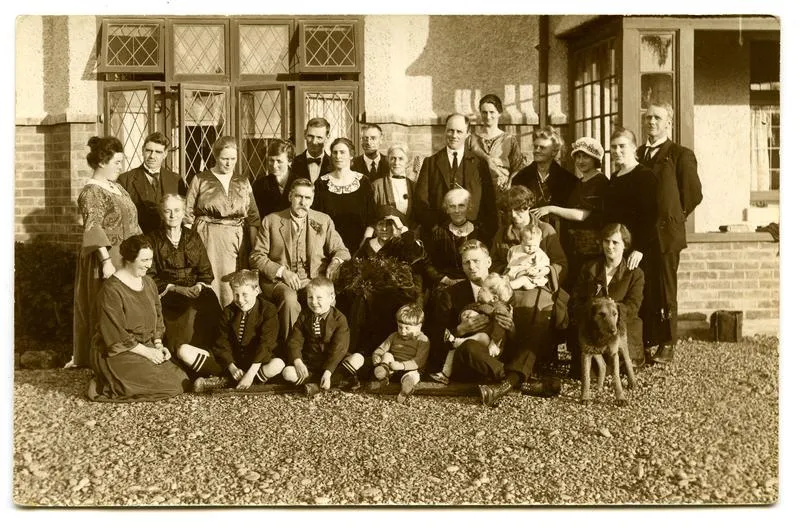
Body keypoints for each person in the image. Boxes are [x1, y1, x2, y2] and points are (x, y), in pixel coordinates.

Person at [426, 240, 557, 407]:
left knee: (533, 333)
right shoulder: (451, 294)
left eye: (476, 261)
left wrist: (511, 328)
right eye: (466, 262)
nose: (471, 266)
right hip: (470, 358)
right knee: (468, 347)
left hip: (498, 352)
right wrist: (459, 330)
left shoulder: (506, 290)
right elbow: (435, 333)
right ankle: (514, 381)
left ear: (488, 262)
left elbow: (515, 339)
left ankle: (505, 383)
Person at [636, 103, 703, 364]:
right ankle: (644, 341)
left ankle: (667, 342)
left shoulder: (680, 154)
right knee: (644, 286)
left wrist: (673, 216)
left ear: (669, 123)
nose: (651, 121)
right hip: (641, 235)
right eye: (648, 117)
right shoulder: (639, 154)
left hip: (665, 236)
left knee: (665, 287)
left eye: (657, 117)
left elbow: (693, 194)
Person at [86, 235, 190, 401]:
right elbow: (114, 334)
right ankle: (105, 381)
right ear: (129, 260)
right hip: (117, 352)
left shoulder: (149, 283)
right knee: (171, 386)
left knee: (182, 379)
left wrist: (157, 345)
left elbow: (157, 316)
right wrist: (147, 353)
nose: (149, 265)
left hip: (146, 346)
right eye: (144, 260)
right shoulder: (111, 290)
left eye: (150, 259)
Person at [70, 136, 142, 369]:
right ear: (102, 162)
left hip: (128, 255)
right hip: (108, 256)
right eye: (117, 162)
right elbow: (93, 227)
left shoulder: (117, 187)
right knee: (107, 306)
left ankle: (127, 356)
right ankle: (102, 360)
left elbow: (132, 222)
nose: (121, 167)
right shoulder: (91, 191)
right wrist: (106, 261)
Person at [249, 178, 351, 341]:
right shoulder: (271, 220)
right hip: (279, 281)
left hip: (313, 278)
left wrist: (335, 262)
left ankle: (321, 348)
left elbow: (342, 251)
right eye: (299, 197)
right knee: (289, 299)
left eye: (307, 198)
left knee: (323, 295)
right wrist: (283, 272)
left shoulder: (323, 220)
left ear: (312, 199)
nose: (303, 202)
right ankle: (292, 351)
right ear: (290, 197)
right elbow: (256, 257)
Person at [176, 270, 285, 391]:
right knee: (183, 351)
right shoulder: (229, 311)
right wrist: (231, 366)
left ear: (256, 291)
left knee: (278, 364)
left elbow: (266, 344)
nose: (240, 300)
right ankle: (232, 380)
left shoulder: (268, 310)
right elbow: (222, 342)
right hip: (232, 363)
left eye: (245, 294)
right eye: (236, 295)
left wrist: (250, 373)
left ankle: (239, 381)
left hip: (256, 362)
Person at [184, 136, 261, 308]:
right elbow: (188, 214)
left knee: (234, 283)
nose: (229, 163)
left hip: (237, 239)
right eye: (225, 159)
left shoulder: (243, 181)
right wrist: (186, 245)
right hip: (208, 237)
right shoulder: (201, 179)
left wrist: (254, 248)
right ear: (216, 157)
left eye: (233, 159)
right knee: (212, 281)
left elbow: (253, 216)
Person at [605, 127, 660, 359]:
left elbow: (651, 216)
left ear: (633, 148)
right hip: (617, 246)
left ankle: (642, 348)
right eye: (614, 147)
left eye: (622, 146)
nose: (617, 151)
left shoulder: (644, 176)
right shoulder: (615, 178)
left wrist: (640, 249)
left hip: (639, 248)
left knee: (639, 296)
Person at [146, 194, 222, 355]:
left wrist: (199, 286)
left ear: (183, 213)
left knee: (211, 305)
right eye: (167, 211)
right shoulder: (152, 240)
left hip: (195, 290)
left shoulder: (193, 237)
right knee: (187, 313)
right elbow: (150, 276)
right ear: (161, 213)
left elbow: (205, 271)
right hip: (168, 295)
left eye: (177, 210)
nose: (173, 215)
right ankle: (184, 357)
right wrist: (175, 288)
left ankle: (212, 357)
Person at [532, 136, 608, 291]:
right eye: (578, 157)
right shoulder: (581, 182)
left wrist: (551, 208)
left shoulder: (599, 182)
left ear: (595, 159)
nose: (580, 161)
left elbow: (582, 214)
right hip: (575, 244)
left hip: (592, 245)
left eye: (585, 156)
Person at [569, 223, 645, 376]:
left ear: (625, 245)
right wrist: (593, 307)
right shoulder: (589, 268)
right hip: (594, 329)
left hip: (620, 326)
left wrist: (613, 307)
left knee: (620, 365)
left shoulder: (634, 273)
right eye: (606, 241)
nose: (610, 246)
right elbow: (576, 299)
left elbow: (633, 305)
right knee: (582, 373)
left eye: (615, 242)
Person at [413, 113, 498, 241]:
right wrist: (435, 228)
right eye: (450, 131)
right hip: (439, 238)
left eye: (459, 131)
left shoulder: (480, 165)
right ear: (445, 131)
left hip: (473, 237)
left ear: (467, 133)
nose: (454, 136)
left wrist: (482, 233)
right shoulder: (430, 163)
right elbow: (421, 202)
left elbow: (489, 203)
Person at [282, 277, 362, 395]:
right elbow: (295, 340)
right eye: (310, 297)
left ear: (331, 298)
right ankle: (327, 382)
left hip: (333, 364)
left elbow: (339, 348)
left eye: (319, 298)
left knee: (358, 358)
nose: (314, 302)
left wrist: (328, 371)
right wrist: (298, 361)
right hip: (310, 363)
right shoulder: (304, 316)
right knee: (287, 372)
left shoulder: (339, 318)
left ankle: (321, 383)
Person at [431, 272, 513, 384]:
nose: (480, 290)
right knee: (458, 348)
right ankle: (445, 374)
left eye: (483, 290)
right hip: (470, 352)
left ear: (494, 298)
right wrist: (464, 317)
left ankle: (501, 375)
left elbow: (500, 327)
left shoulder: (499, 308)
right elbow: (463, 313)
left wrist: (494, 342)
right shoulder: (476, 304)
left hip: (489, 347)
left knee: (479, 338)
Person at [312, 137, 377, 254]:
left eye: (342, 152)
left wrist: (364, 242)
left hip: (360, 246)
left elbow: (372, 217)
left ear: (351, 155)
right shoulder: (321, 183)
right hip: (328, 247)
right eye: (335, 152)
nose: (338, 156)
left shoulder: (363, 182)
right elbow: (315, 218)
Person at [118, 131, 185, 234]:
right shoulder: (125, 179)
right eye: (149, 151)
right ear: (142, 150)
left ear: (165, 154)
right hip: (139, 240)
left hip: (168, 241)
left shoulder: (176, 180)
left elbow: (182, 214)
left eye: (158, 152)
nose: (152, 156)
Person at [512, 126, 576, 232]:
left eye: (542, 148)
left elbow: (573, 213)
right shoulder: (521, 178)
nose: (537, 150)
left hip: (559, 235)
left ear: (554, 152)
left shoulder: (569, 180)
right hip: (527, 235)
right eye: (535, 147)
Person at [422, 188, 491, 286]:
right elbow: (428, 263)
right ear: (447, 209)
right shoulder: (438, 233)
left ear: (468, 207)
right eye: (452, 206)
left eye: (461, 206)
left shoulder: (480, 231)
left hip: (476, 283)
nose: (457, 211)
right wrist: (445, 280)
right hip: (447, 284)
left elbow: (487, 261)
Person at [465, 94, 525, 193]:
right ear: (480, 113)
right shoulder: (471, 139)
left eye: (492, 112)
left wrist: (510, 182)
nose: (488, 116)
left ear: (499, 113)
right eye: (484, 112)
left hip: (501, 191)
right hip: (477, 190)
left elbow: (518, 166)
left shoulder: (509, 139)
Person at [372, 304, 430, 403]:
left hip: (411, 368)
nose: (403, 331)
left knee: (413, 376)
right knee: (387, 355)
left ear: (419, 327)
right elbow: (382, 348)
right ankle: (383, 374)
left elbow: (419, 361)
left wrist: (401, 366)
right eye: (400, 327)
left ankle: (406, 390)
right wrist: (377, 356)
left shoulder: (423, 340)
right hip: (392, 367)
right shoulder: (394, 336)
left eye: (407, 328)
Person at [372, 143, 416, 229]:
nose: (396, 162)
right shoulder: (377, 185)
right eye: (393, 158)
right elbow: (370, 216)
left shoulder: (414, 186)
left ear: (408, 162)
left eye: (401, 159)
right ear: (388, 161)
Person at [252, 139, 294, 218]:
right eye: (271, 160)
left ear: (290, 161)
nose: (274, 165)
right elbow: (255, 215)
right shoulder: (260, 185)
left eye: (279, 161)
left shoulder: (299, 182)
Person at [504, 222, 551, 290]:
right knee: (502, 278)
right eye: (528, 245)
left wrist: (537, 271)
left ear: (539, 242)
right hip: (514, 274)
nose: (531, 248)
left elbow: (546, 267)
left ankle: (507, 287)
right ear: (521, 242)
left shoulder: (539, 254)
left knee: (522, 280)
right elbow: (510, 260)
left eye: (535, 245)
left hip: (529, 279)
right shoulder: (514, 249)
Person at [290, 117, 332, 185]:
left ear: (327, 137)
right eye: (310, 136)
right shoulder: (293, 163)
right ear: (305, 134)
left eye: (319, 137)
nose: (314, 142)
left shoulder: (334, 165)